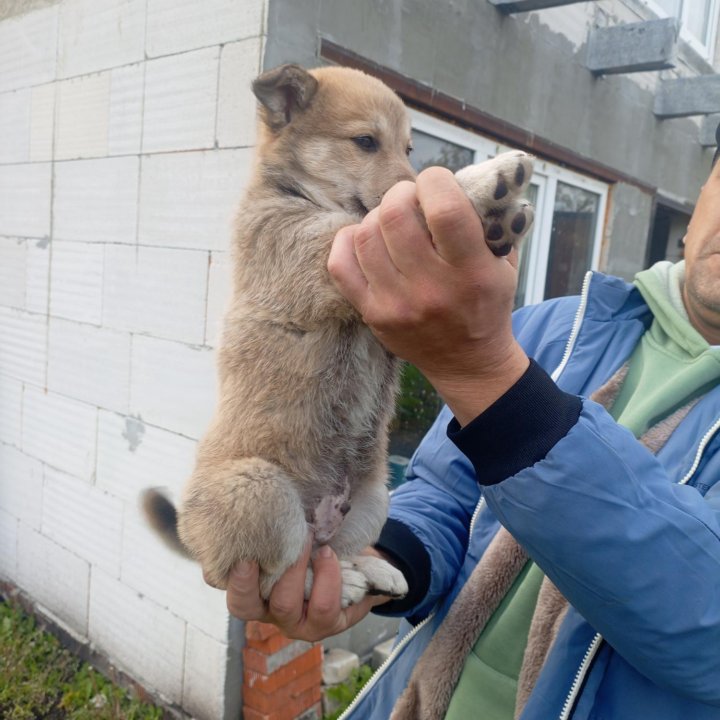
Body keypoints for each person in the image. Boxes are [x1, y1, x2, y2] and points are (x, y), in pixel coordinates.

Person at [223, 142, 720, 719]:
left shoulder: (503, 350)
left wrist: (488, 378)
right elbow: (444, 493)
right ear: (699, 197)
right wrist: (379, 559)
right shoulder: (557, 326)